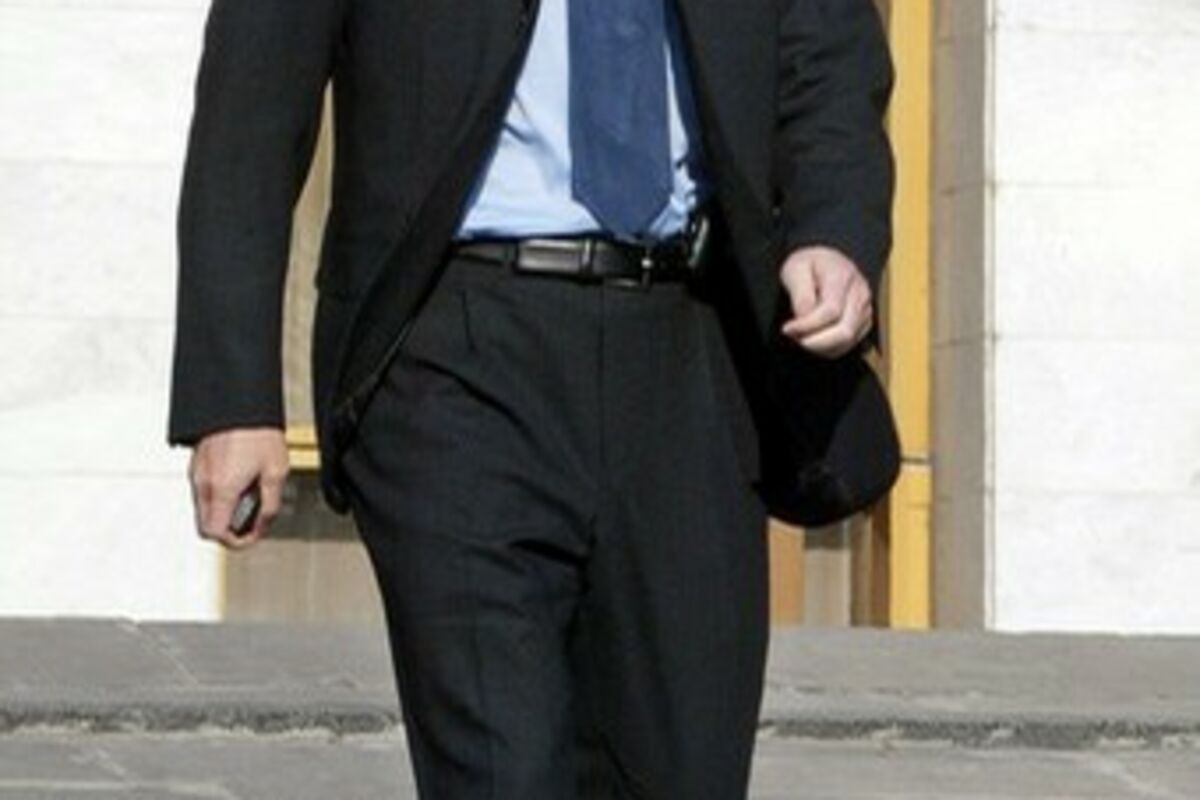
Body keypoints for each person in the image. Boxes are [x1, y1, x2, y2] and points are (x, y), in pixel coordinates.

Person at [168, 0, 894, 796]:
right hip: (455, 349)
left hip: (693, 351)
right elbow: (253, 101)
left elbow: (829, 54)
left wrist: (835, 231)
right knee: (499, 766)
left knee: (683, 769)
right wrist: (233, 397)